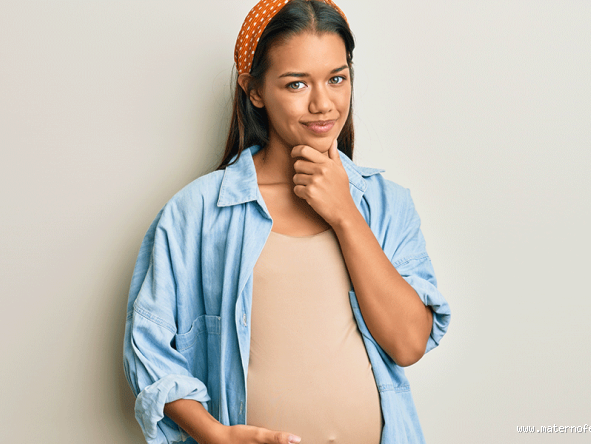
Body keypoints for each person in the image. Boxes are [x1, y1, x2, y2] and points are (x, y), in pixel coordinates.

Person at [123, 1, 451, 443]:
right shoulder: (198, 211)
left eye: (337, 78)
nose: (323, 103)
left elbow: (409, 344)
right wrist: (214, 435)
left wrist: (344, 214)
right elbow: (148, 348)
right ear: (254, 90)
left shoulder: (386, 204)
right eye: (296, 83)